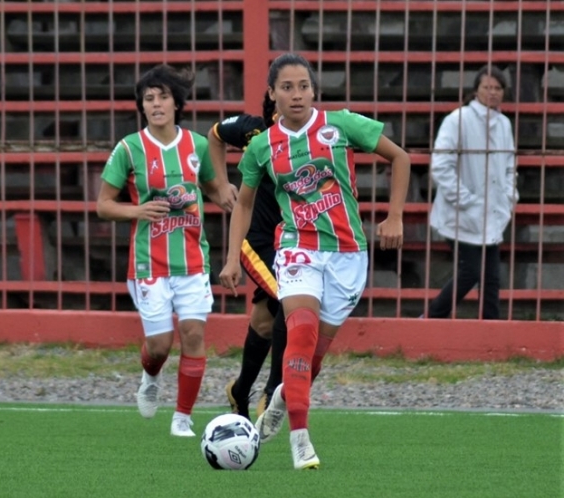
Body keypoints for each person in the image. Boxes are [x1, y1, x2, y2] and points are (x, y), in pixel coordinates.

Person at [220, 53, 410, 469]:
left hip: (347, 255)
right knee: (300, 333)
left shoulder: (340, 125)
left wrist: (394, 215)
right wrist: (232, 258)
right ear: (272, 94)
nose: (297, 95)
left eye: (303, 86)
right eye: (287, 87)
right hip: (297, 249)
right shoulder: (262, 146)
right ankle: (301, 440)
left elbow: (401, 158)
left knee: (311, 362)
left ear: (313, 90)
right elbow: (244, 204)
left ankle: (280, 399)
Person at [96, 64, 235, 437]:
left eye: (163, 97)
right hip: (148, 262)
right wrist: (137, 211)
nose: (156, 104)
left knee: (193, 334)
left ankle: (182, 417)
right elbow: (103, 205)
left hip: (192, 260)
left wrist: (229, 196)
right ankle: (150, 377)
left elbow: (212, 186)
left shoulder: (198, 145)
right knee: (159, 346)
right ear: (142, 106)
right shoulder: (129, 148)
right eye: (149, 98)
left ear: (177, 103)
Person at [208, 95, 287, 421]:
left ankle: (239, 391)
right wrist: (221, 184)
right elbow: (215, 135)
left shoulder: (312, 139)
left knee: (265, 322)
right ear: (273, 97)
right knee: (290, 298)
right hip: (257, 240)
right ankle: (274, 391)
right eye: (286, 89)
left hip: (292, 242)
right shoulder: (253, 131)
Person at [427, 65, 517, 320]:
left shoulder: (503, 124)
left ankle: (491, 328)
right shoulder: (458, 119)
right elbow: (441, 164)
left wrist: (509, 196)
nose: (493, 92)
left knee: (491, 279)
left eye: (497, 88)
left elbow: (510, 166)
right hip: (462, 214)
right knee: (471, 272)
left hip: (493, 211)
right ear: (476, 90)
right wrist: (465, 199)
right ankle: (432, 317)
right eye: (487, 87)